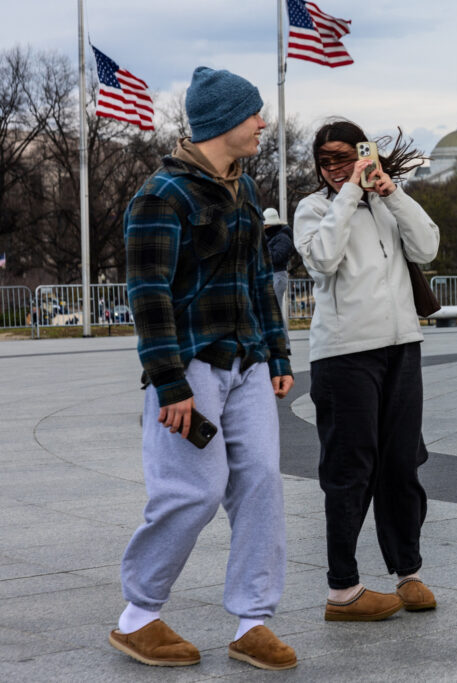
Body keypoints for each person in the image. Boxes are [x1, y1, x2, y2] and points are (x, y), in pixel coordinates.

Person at [110, 67, 297, 671]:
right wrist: (169, 381)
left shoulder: (243, 190)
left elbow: (256, 283)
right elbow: (148, 295)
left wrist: (278, 352)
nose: (263, 124)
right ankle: (138, 615)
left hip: (246, 366)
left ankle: (253, 621)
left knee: (263, 481)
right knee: (193, 489)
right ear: (223, 122)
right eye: (255, 115)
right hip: (188, 369)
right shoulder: (162, 195)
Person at [293, 120, 440, 622]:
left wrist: (390, 192)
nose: (335, 168)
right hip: (343, 355)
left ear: (366, 153)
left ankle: (408, 571)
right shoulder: (313, 209)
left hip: (401, 347)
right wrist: (349, 192)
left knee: (402, 465)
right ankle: (344, 588)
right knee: (350, 471)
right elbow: (322, 260)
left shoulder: (384, 203)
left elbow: (427, 247)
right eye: (326, 160)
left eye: (345, 157)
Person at [262, 207, 295, 349]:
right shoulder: (273, 236)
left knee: (274, 309)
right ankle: (280, 343)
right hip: (272, 275)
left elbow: (278, 257)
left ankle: (284, 343)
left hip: (278, 275)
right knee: (271, 310)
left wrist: (263, 247)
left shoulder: (282, 237)